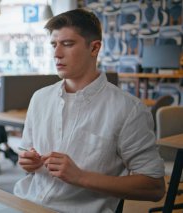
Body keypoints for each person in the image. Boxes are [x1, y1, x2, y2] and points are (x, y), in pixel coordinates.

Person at [13, 9, 165, 212]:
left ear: (94, 48)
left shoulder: (128, 109)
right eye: (54, 45)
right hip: (24, 203)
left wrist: (80, 176)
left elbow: (154, 187)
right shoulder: (39, 98)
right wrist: (27, 161)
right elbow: (25, 154)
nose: (56, 53)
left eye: (67, 44)